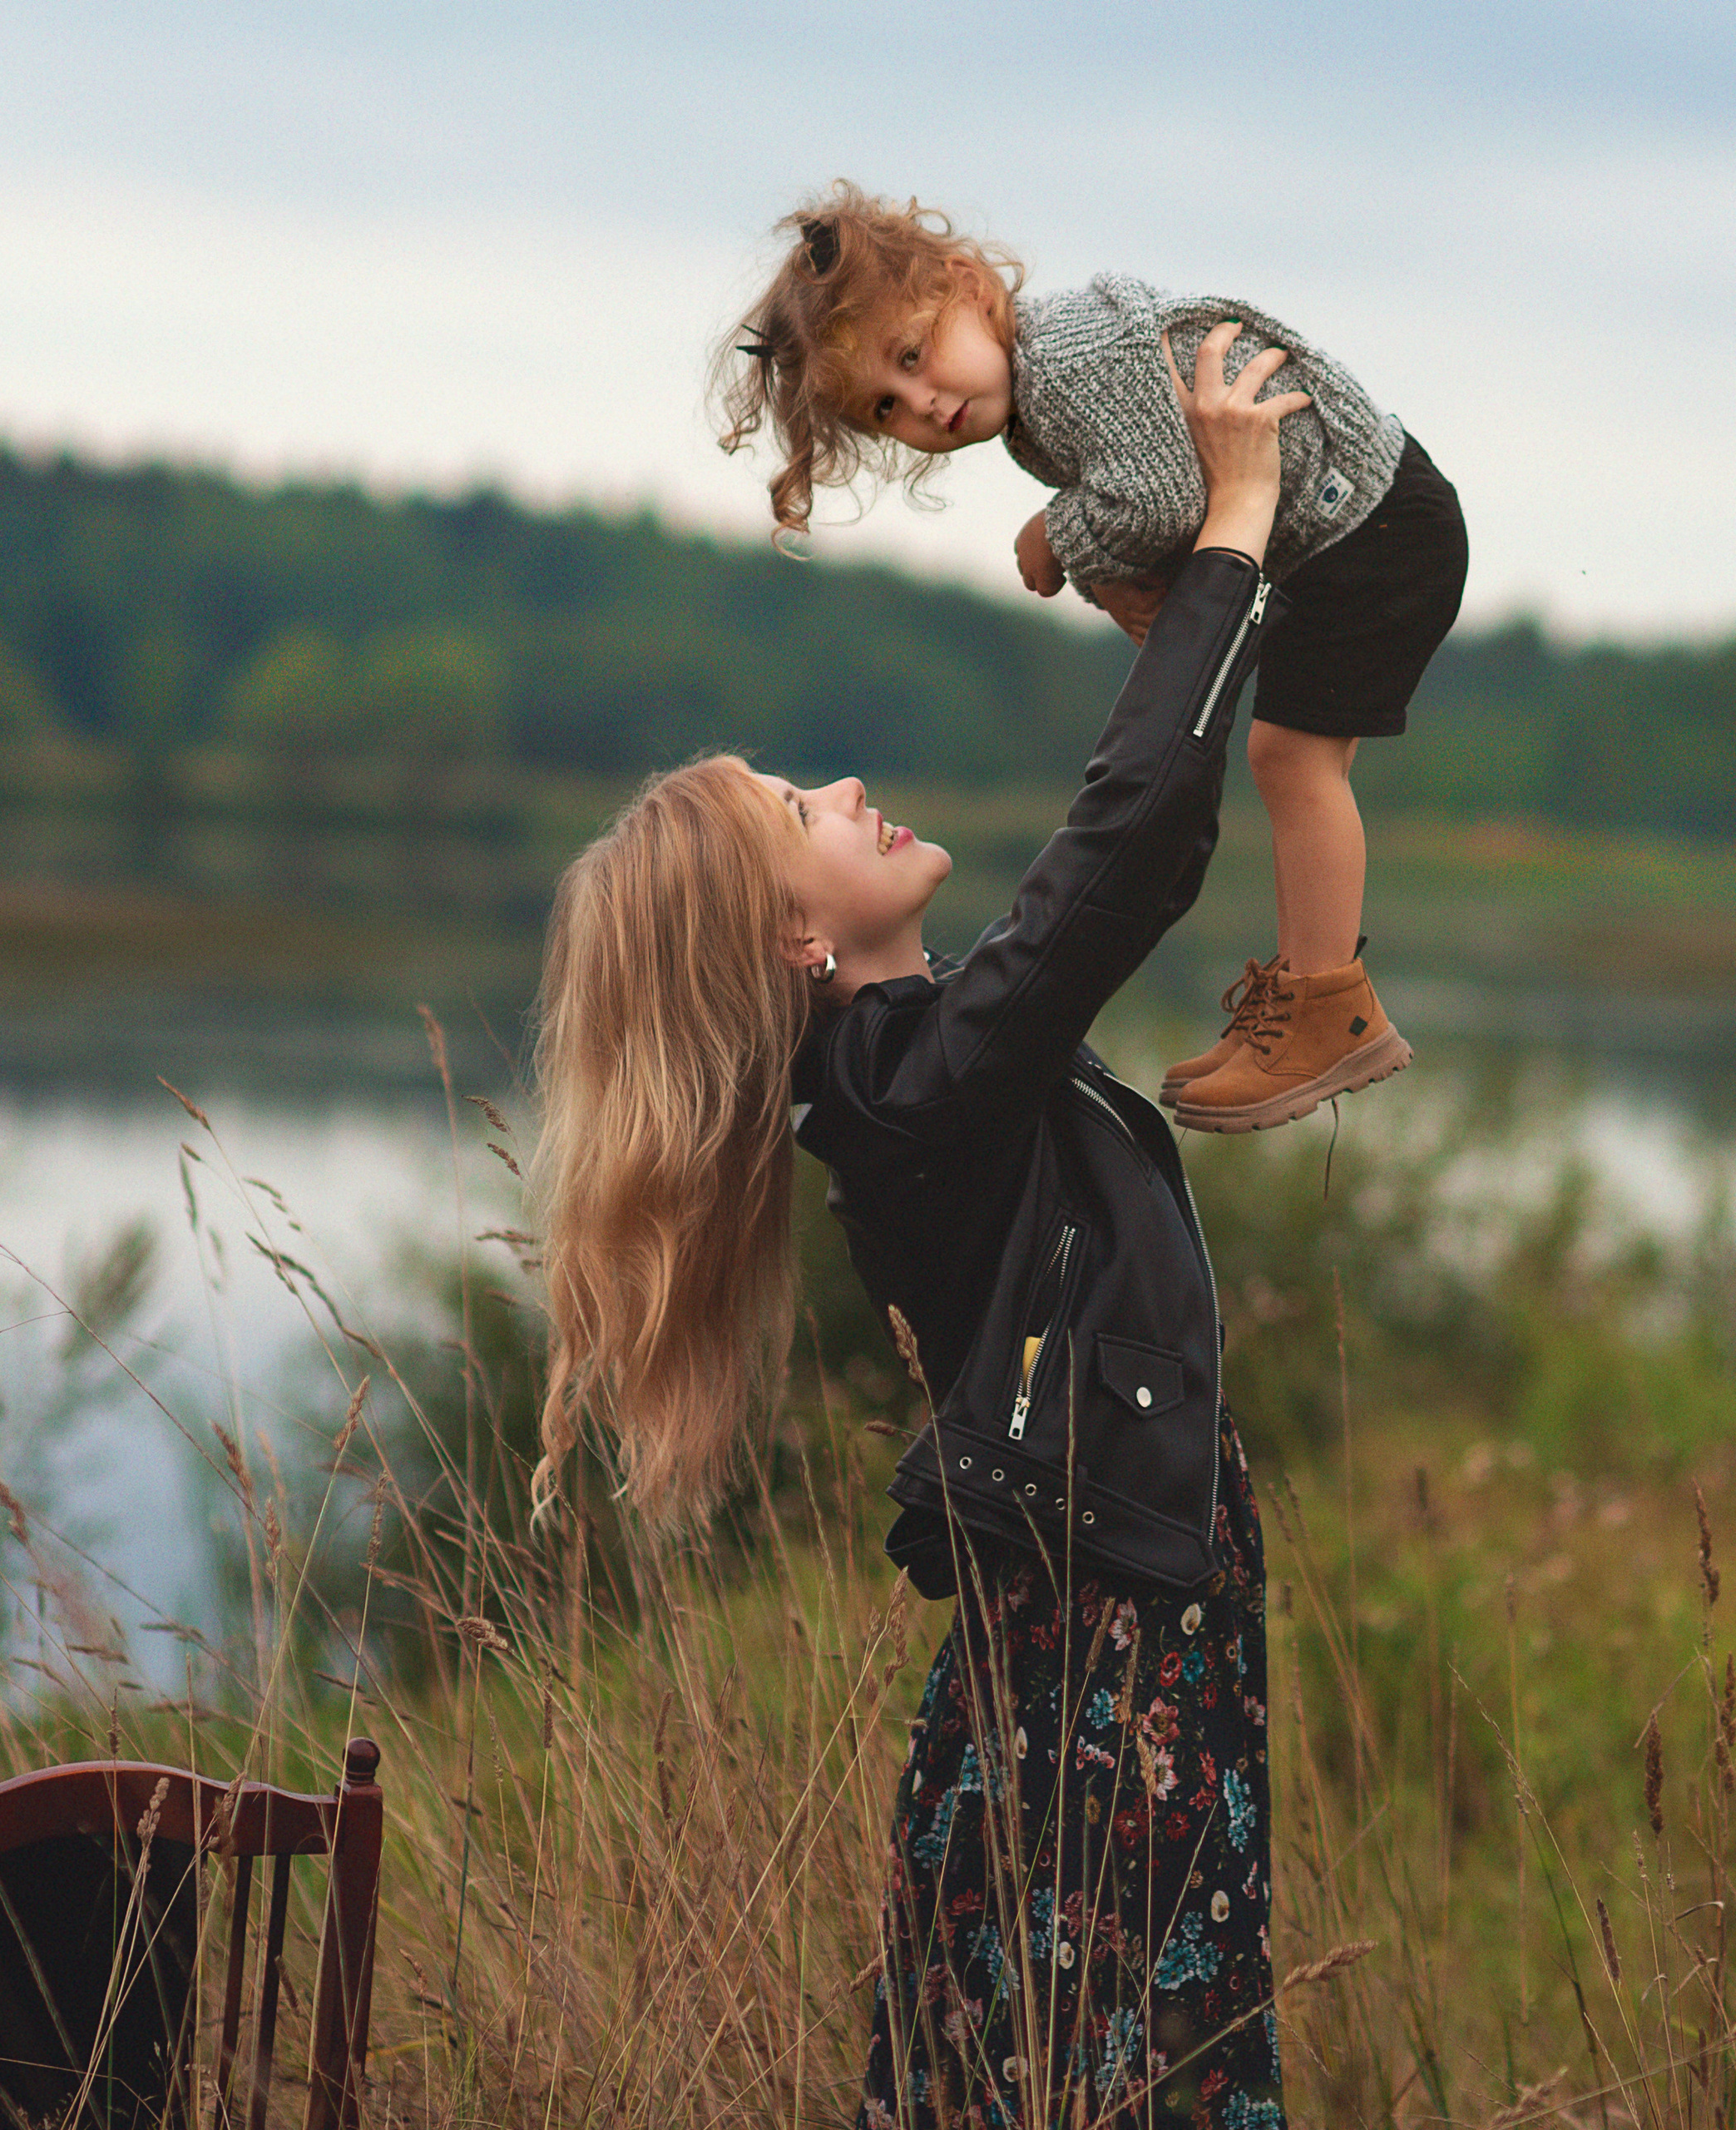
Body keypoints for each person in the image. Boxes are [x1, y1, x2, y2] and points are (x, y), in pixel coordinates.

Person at [533, 324, 1298, 2128]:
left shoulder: (916, 1071)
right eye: (802, 809)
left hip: (1104, 1657)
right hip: (1103, 1672)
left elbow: (1126, 861)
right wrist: (1232, 530)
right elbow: (1119, 852)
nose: (848, 787)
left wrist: (1183, 604)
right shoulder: (902, 1090)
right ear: (794, 944)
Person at [715, 182, 1469, 1134]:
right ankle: (1305, 988)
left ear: (967, 287)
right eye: (885, 406)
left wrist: (1056, 534)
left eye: (913, 355)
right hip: (1356, 523)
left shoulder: (1067, 364)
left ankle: (1327, 1004)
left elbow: (1152, 501)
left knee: (1292, 760)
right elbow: (1176, 491)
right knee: (1292, 761)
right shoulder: (1037, 391)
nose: (925, 402)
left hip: (1371, 524)